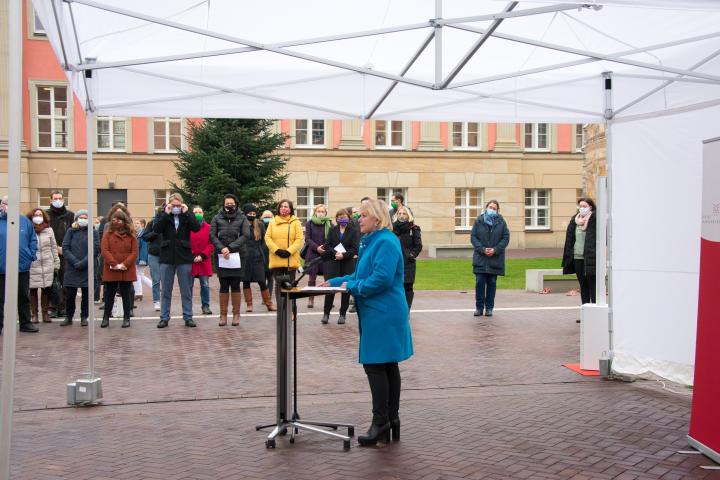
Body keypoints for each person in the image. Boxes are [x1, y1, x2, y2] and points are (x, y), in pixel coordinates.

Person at [320, 198, 413, 446]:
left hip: (383, 311)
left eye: (362, 215)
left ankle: (381, 422)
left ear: (376, 218)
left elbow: (380, 279)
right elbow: (363, 274)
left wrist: (351, 286)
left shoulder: (385, 241)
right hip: (377, 310)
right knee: (386, 364)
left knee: (375, 364)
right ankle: (391, 420)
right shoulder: (371, 240)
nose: (357, 219)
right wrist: (336, 280)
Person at [153, 193, 201, 328]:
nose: (175, 208)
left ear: (182, 205)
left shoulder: (185, 215)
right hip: (167, 257)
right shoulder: (163, 215)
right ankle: (164, 317)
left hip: (184, 257)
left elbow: (196, 228)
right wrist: (166, 214)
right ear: (169, 204)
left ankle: (188, 316)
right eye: (173, 205)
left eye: (177, 205)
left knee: (186, 289)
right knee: (166, 290)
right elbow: (156, 229)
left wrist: (187, 213)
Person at [210, 194, 252, 326]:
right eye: (227, 203)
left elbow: (246, 235)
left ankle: (236, 315)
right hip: (221, 255)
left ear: (236, 204)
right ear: (223, 204)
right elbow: (212, 235)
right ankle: (223, 315)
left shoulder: (242, 217)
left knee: (235, 284)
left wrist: (230, 247)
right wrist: (222, 248)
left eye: (231, 203)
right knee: (223, 285)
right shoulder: (217, 218)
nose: (229, 205)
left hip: (238, 255)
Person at [0, 196, 39, 334]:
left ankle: (25, 323)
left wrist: (31, 255)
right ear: (2, 205)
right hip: (2, 267)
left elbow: (33, 239)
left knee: (23, 296)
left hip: (21, 266)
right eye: (7, 204)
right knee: (0, 298)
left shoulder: (24, 222)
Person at [318, 208, 359, 325]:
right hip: (333, 261)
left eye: (344, 216)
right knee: (330, 287)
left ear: (348, 218)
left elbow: (355, 248)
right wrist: (336, 252)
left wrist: (344, 255)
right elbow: (328, 244)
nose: (342, 219)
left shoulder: (353, 231)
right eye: (339, 217)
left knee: (345, 289)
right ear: (336, 218)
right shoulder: (332, 229)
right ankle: (326, 313)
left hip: (347, 262)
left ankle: (342, 314)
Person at [470, 200, 510, 317]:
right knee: (479, 283)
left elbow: (505, 238)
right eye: (490, 207)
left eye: (494, 208)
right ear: (486, 208)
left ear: (497, 210)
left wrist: (495, 249)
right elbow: (473, 237)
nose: (492, 209)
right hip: (481, 258)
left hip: (495, 259)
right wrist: (482, 249)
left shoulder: (501, 222)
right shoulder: (478, 221)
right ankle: (479, 308)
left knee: (492, 283)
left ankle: (489, 308)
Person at [60, 210, 99, 327]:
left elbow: (95, 249)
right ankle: (69, 316)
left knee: (87, 295)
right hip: (72, 268)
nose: (83, 219)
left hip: (87, 267)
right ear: (76, 219)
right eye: (80, 217)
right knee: (70, 295)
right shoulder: (70, 231)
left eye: (85, 217)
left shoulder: (93, 232)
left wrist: (84, 262)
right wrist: (75, 262)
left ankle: (84, 317)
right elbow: (65, 248)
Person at [101, 210, 138, 328]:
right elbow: (104, 250)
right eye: (113, 220)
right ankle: (106, 317)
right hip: (112, 268)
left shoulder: (131, 235)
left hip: (126, 269)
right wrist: (114, 263)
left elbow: (134, 252)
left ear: (124, 221)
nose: (115, 222)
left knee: (126, 294)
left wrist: (125, 264)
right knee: (109, 295)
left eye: (118, 220)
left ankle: (126, 318)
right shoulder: (108, 234)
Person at [264, 199, 304, 305]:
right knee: (279, 284)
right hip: (277, 257)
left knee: (290, 284)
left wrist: (289, 251)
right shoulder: (273, 222)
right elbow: (267, 238)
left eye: (286, 206)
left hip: (291, 258)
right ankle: (281, 309)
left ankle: (290, 308)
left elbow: (299, 239)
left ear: (290, 209)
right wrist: (276, 250)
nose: (283, 208)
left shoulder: (296, 222)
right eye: (281, 206)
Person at [562, 197, 597, 310]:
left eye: (584, 206)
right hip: (577, 257)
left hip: (590, 258)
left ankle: (595, 311)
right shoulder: (575, 220)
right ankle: (585, 312)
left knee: (592, 285)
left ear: (590, 207)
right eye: (580, 206)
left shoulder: (594, 219)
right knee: (583, 285)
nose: (582, 208)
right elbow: (570, 239)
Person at [241, 204, 276, 312]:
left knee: (261, 280)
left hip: (257, 257)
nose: (251, 215)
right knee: (246, 281)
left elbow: (263, 241)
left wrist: (259, 251)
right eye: (249, 214)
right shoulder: (241, 225)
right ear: (245, 214)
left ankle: (269, 303)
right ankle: (249, 304)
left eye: (254, 214)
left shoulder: (259, 225)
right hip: (245, 258)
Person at [28, 208, 60, 324]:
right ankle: (34, 314)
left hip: (47, 263)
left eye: (40, 215)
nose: (38, 217)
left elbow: (53, 247)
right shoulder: (28, 229)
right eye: (35, 215)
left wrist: (56, 263)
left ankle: (45, 313)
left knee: (46, 289)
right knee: (33, 290)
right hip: (33, 263)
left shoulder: (49, 230)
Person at [46, 190, 74, 318]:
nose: (58, 200)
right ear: (50, 200)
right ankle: (52, 307)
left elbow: (72, 232)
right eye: (55, 198)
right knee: (51, 281)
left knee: (65, 281)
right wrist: (55, 248)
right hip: (50, 252)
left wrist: (65, 248)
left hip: (66, 253)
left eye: (60, 198)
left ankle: (63, 307)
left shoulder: (70, 215)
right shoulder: (46, 215)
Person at [392, 206, 422, 310]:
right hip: (394, 262)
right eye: (399, 213)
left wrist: (412, 255)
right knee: (395, 286)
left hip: (408, 262)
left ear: (408, 215)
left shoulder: (413, 229)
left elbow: (418, 245)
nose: (401, 215)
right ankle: (397, 308)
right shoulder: (392, 229)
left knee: (407, 286)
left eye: (404, 214)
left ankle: (407, 309)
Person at [304, 204, 332, 308]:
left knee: (327, 277)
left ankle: (329, 300)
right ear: (315, 212)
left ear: (326, 213)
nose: (320, 213)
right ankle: (311, 299)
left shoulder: (329, 223)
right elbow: (307, 238)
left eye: (323, 211)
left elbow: (332, 238)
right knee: (312, 277)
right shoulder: (309, 223)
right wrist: (316, 248)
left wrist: (324, 247)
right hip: (312, 253)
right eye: (318, 211)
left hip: (325, 253)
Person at [190, 206, 214, 315]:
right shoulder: (187, 227)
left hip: (204, 261)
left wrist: (203, 255)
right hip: (190, 261)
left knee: (205, 285)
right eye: (195, 212)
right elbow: (184, 242)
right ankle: (187, 306)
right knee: (188, 285)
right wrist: (192, 256)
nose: (198, 214)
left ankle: (205, 306)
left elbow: (211, 244)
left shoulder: (209, 228)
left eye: (200, 212)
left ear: (203, 214)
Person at [141, 208, 163, 311]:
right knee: (156, 279)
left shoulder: (170, 223)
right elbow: (145, 237)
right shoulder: (151, 223)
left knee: (167, 279)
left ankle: (166, 300)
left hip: (167, 254)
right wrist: (155, 232)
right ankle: (157, 301)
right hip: (154, 254)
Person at [133, 218, 150, 302]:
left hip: (140, 258)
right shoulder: (139, 234)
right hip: (138, 258)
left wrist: (142, 259)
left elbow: (144, 248)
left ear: (142, 225)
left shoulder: (142, 234)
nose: (135, 225)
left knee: (137, 275)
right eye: (135, 223)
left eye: (137, 223)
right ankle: (156, 288)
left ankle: (138, 293)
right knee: (141, 275)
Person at [260, 210, 275, 297]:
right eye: (266, 217)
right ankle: (264, 296)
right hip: (262, 255)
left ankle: (268, 296)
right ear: (262, 217)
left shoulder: (274, 226)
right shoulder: (259, 226)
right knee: (262, 278)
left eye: (269, 217)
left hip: (271, 254)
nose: (267, 219)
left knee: (270, 277)